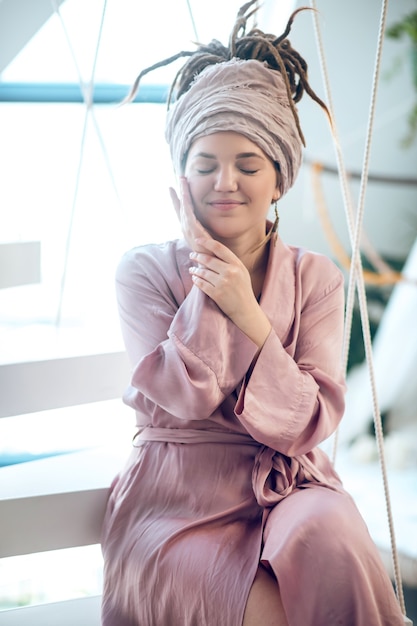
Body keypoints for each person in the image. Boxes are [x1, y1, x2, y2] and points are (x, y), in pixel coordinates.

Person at [101, 2, 406, 625]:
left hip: (287, 482)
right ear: (181, 175)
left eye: (248, 165)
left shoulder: (317, 277)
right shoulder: (142, 272)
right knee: (262, 610)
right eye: (204, 164)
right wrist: (212, 281)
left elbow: (308, 422)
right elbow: (184, 396)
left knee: (333, 537)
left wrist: (250, 312)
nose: (225, 184)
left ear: (279, 178)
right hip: (176, 494)